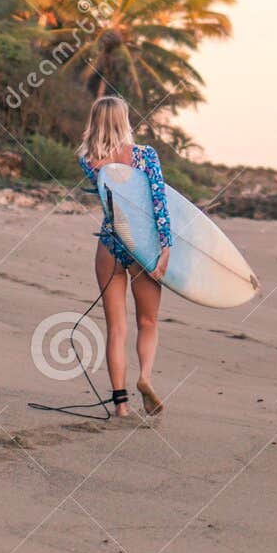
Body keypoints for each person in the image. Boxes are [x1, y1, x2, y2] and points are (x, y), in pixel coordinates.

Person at [76, 95, 172, 416]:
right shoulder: (145, 155)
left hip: (110, 243)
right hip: (142, 246)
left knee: (116, 327)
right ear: (124, 120)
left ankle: (121, 407)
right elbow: (159, 202)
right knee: (148, 321)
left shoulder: (89, 160)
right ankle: (144, 378)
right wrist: (166, 247)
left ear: (96, 121)